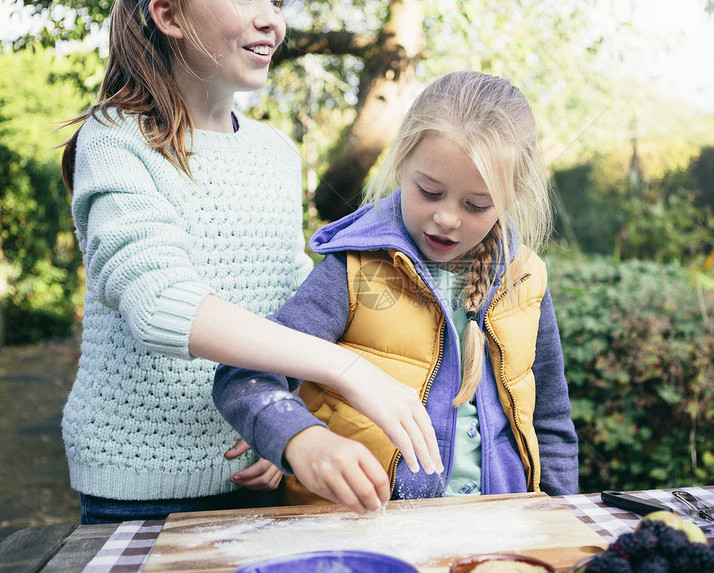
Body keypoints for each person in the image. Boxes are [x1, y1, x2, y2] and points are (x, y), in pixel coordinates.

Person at [60, 0, 442, 524]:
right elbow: (159, 303)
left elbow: (292, 307)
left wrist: (282, 424)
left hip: (265, 476)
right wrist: (349, 371)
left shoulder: (277, 152)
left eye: (278, 3)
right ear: (169, 16)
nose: (273, 20)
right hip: (142, 494)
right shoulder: (113, 138)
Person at [214, 71, 579, 503]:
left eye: (476, 204)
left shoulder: (526, 278)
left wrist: (562, 516)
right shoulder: (352, 270)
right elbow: (244, 375)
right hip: (364, 528)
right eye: (429, 191)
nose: (447, 218)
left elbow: (551, 421)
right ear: (402, 164)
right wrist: (293, 438)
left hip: (498, 527)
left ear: (512, 195)